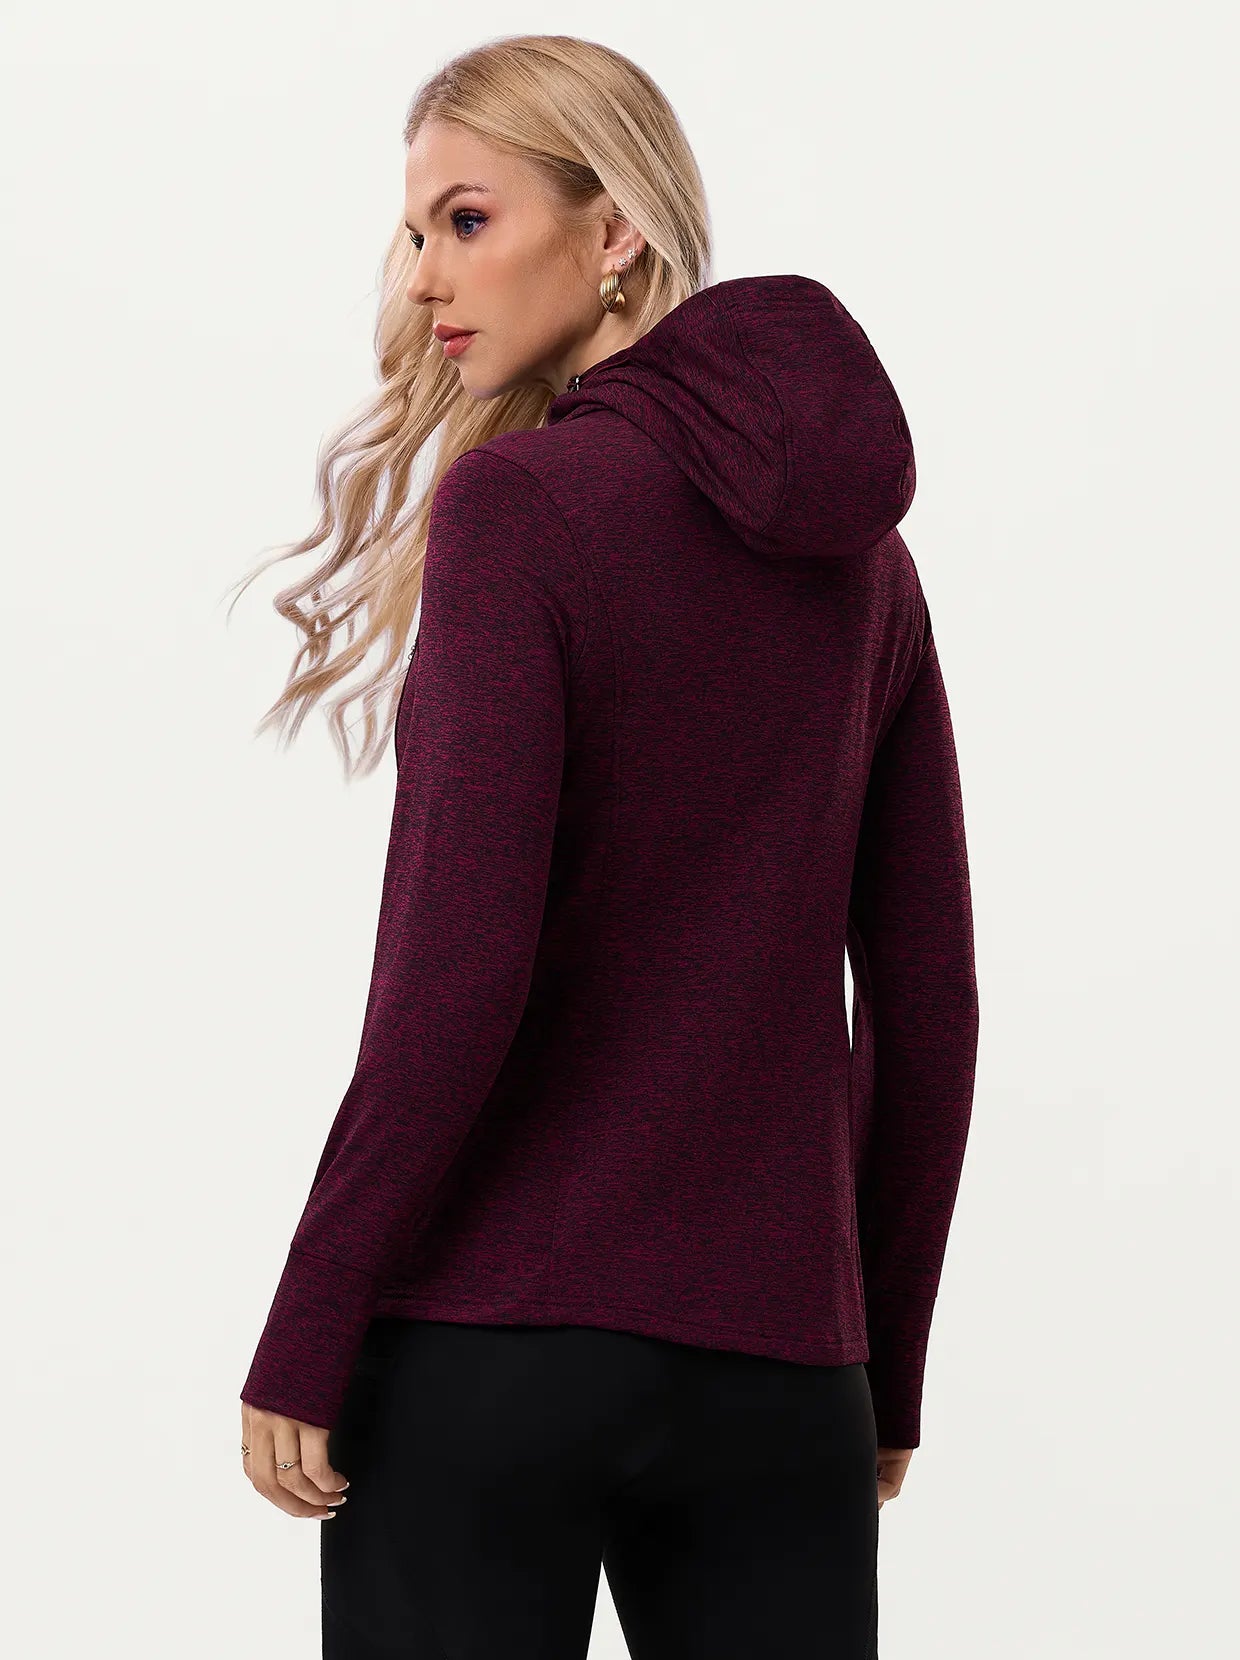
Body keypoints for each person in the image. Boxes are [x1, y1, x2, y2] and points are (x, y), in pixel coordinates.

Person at [234, 32, 979, 1660]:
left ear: (617, 226)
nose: (424, 277)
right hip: (786, 1379)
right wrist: (881, 1368)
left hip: (488, 1350)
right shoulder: (872, 566)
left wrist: (310, 1319)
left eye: (468, 219)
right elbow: (929, 1008)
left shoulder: (521, 510)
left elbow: (455, 980)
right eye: (414, 232)